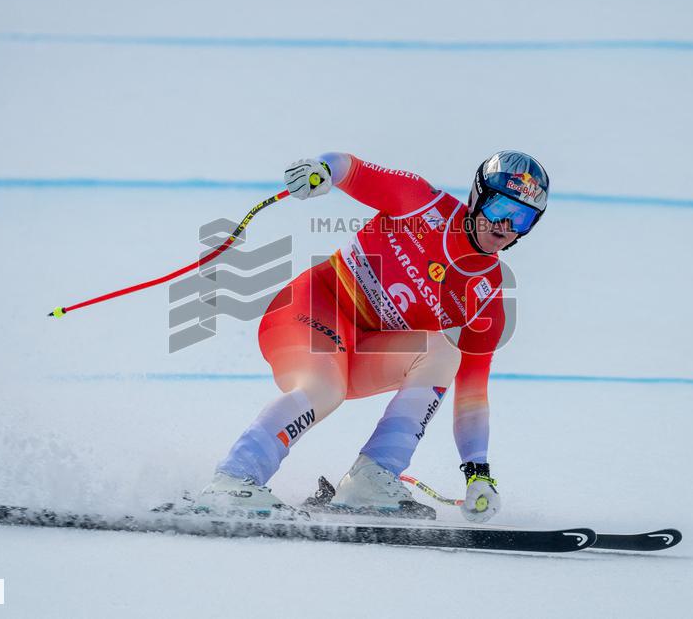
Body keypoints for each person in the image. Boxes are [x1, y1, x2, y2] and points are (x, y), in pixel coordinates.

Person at [198, 151, 550, 522]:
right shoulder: (420, 203)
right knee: (324, 389)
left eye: (522, 218)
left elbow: (473, 393)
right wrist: (322, 171)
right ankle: (234, 479)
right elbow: (350, 169)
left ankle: (372, 476)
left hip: (358, 351)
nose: (506, 225)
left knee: (444, 354)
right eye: (498, 209)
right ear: (478, 198)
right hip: (309, 310)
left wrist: (478, 473)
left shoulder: (488, 294)